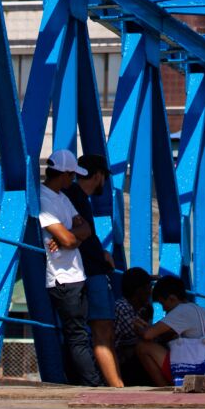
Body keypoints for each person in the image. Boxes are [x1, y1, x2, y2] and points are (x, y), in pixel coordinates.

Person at [37, 149, 102, 386]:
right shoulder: (44, 200)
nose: (73, 180)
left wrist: (71, 236)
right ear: (63, 174)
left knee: (77, 335)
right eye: (72, 175)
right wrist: (72, 237)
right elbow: (70, 240)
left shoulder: (61, 197)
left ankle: (79, 381)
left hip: (75, 274)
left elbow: (84, 231)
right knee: (77, 336)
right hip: (62, 278)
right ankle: (93, 385)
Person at [68, 153, 123, 387]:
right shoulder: (76, 197)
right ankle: (117, 387)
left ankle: (113, 383)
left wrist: (101, 252)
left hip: (84, 269)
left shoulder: (72, 196)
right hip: (90, 272)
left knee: (97, 332)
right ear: (98, 175)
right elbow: (83, 234)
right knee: (103, 332)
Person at [134, 275, 205, 386]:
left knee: (143, 347)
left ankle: (165, 390)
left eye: (163, 304)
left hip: (194, 373)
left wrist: (138, 326)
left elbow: (148, 335)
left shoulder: (181, 310)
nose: (163, 309)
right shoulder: (198, 310)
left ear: (172, 299)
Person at [111, 267, 154, 385]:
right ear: (138, 290)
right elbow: (133, 339)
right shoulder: (122, 307)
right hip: (121, 360)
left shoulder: (140, 309)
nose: (150, 292)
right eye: (148, 288)